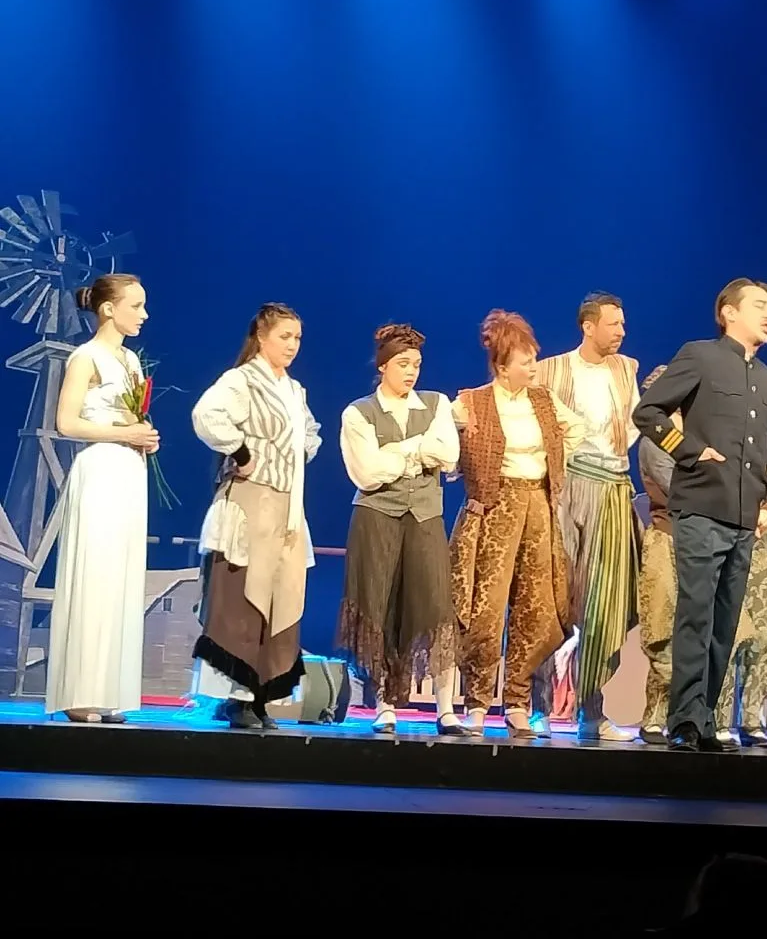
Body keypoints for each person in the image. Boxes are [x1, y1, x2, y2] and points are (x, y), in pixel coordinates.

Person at [632, 278, 767, 752]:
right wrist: (691, 451)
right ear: (729, 312)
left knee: (725, 623)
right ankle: (684, 720)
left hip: (743, 517)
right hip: (700, 508)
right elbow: (648, 413)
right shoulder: (700, 356)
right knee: (695, 616)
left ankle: (708, 718)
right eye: (760, 305)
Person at [450, 310, 585, 739]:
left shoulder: (543, 400)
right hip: (494, 508)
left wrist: (555, 462)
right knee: (485, 609)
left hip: (538, 505)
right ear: (502, 365)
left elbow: (576, 429)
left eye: (533, 359)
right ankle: (476, 704)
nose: (533, 367)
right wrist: (467, 465)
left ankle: (517, 702)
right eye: (526, 361)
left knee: (535, 606)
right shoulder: (472, 402)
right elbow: (448, 446)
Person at [191, 302, 321, 729]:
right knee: (244, 595)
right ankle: (236, 696)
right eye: (284, 336)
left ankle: (261, 693)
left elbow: (310, 433)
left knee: (280, 595)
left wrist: (296, 452)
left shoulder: (294, 390)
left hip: (286, 506)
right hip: (251, 501)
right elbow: (206, 415)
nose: (292, 345)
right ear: (262, 337)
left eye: (297, 338)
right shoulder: (242, 380)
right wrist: (242, 451)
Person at [335, 324, 463, 735]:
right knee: (379, 606)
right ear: (383, 366)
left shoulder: (436, 404)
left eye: (416, 365)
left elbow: (448, 453)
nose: (411, 372)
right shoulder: (358, 412)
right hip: (376, 517)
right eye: (403, 364)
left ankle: (446, 709)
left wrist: (395, 452)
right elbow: (368, 473)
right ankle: (384, 704)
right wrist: (417, 450)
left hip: (425, 517)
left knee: (435, 606)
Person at [45, 274, 159, 723]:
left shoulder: (130, 360)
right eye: (136, 305)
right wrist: (124, 434)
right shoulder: (85, 357)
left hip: (129, 471)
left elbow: (130, 419)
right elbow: (66, 423)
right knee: (94, 576)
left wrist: (143, 436)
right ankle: (79, 693)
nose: (144, 314)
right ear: (109, 309)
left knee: (121, 579)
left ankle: (109, 690)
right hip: (100, 470)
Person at [533, 292, 642, 741]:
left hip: (610, 484)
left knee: (604, 601)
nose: (621, 332)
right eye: (614, 324)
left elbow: (633, 426)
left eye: (623, 324)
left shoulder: (626, 369)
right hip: (564, 484)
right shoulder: (551, 370)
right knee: (551, 592)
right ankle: (536, 707)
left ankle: (592, 713)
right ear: (588, 326)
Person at [714, 451, 767, 747]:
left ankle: (751, 719)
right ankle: (718, 720)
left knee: (763, 637)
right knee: (727, 635)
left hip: (759, 548)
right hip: (722, 540)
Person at [636, 364, 678, 743]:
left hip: (699, 542)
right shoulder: (655, 441)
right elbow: (677, 488)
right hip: (667, 540)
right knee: (663, 631)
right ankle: (655, 717)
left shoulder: (695, 436)